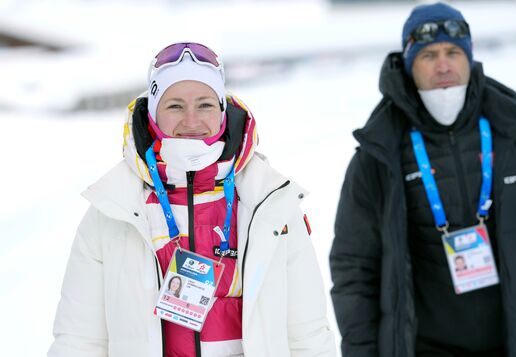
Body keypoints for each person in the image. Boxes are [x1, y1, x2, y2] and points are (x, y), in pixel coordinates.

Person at [49, 42, 335, 357]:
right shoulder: (113, 209)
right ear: (154, 113)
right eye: (174, 106)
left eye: (204, 105)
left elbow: (307, 334)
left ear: (222, 111)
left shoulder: (271, 203)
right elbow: (79, 341)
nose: (191, 121)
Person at [330, 2, 516, 356]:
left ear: (468, 58)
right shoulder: (379, 153)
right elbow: (354, 270)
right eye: (428, 55)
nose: (443, 66)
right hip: (424, 347)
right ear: (409, 66)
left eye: (454, 52)